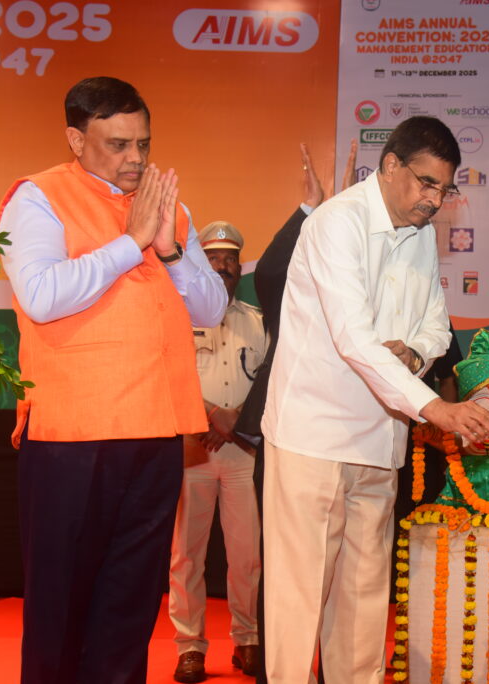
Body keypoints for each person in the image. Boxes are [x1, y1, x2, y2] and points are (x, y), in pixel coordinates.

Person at [0, 76, 227, 684]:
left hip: (156, 431)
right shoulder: (37, 197)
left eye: (143, 144)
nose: (135, 159)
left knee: (131, 603)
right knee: (61, 604)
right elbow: (42, 295)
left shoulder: (168, 205)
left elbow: (211, 310)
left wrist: (168, 249)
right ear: (76, 140)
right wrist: (131, 243)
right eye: (118, 145)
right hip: (72, 436)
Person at [260, 116, 489, 683]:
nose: (434, 200)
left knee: (364, 604)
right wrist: (435, 408)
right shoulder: (335, 222)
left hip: (380, 438)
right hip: (313, 436)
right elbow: (353, 338)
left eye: (444, 189)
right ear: (390, 165)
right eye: (426, 183)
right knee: (299, 601)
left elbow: (436, 327)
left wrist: (414, 355)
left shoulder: (421, 236)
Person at [170, 145, 337, 684]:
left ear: (238, 266)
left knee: (248, 556)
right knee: (186, 557)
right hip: (192, 450)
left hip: (243, 450)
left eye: (229, 258)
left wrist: (237, 418)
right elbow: (168, 375)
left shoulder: (257, 319)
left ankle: (247, 640)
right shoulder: (177, 317)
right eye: (213, 256)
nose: (222, 265)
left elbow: (272, 375)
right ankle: (190, 647)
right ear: (201, 262)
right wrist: (208, 415)